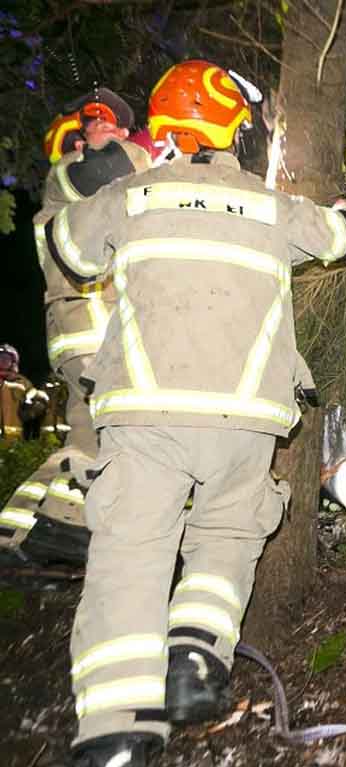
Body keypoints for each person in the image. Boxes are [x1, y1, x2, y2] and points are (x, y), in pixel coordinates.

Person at [28, 59, 346, 767]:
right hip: (248, 422)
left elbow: (64, 250)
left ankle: (114, 754)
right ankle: (193, 661)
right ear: (238, 134)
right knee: (226, 535)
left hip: (145, 418)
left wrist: (97, 172)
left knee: (129, 562)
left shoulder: (132, 195)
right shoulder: (272, 207)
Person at [0, 90, 152, 565]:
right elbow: (117, 168)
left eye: (115, 126)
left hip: (91, 323)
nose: (108, 133)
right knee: (119, 424)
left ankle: (17, 536)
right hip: (86, 320)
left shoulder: (104, 186)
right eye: (99, 124)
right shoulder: (70, 172)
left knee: (85, 438)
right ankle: (66, 529)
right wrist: (158, 145)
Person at [0, 345, 47, 444]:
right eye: (0, 357)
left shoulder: (22, 382)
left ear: (13, 362)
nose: (3, 360)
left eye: (6, 358)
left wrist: (34, 406)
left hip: (15, 439)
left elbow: (34, 397)